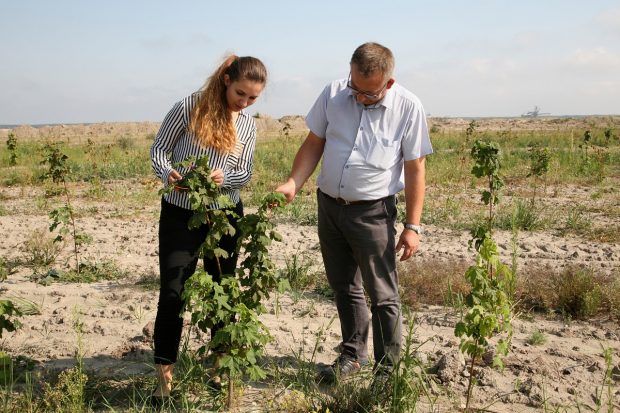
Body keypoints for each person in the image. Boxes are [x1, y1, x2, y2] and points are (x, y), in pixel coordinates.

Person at [276, 42, 432, 384]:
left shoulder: (408, 106)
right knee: (344, 285)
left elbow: (415, 167)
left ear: (387, 83)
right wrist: (293, 182)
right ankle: (352, 355)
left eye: (369, 93)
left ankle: (387, 371)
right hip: (329, 205)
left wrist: (413, 226)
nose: (359, 97)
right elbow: (314, 142)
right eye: (355, 88)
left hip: (373, 212)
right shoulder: (333, 93)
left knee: (382, 293)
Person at [149, 55, 267, 403]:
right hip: (180, 213)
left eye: (252, 98)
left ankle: (219, 374)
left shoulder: (247, 124)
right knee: (173, 294)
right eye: (240, 93)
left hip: (225, 216)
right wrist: (169, 174)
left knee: (223, 292)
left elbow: (244, 173)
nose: (243, 102)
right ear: (226, 79)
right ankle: (163, 386)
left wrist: (225, 178)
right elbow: (159, 151)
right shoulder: (189, 107)